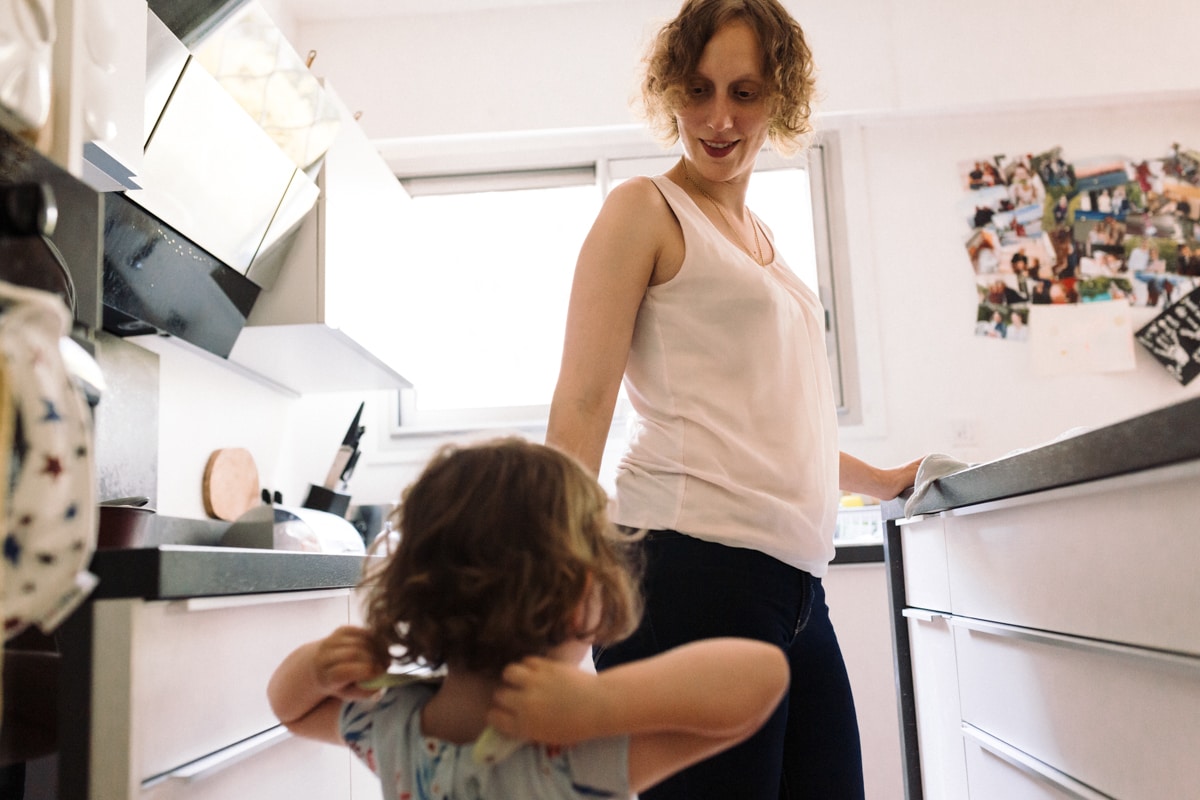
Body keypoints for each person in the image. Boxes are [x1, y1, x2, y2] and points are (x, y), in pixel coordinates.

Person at [544, 1, 922, 797]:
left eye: (745, 92)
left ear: (779, 100)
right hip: (685, 575)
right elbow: (583, 402)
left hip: (793, 591)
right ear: (669, 90)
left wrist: (882, 480)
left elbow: (773, 427)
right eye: (699, 88)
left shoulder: (764, 246)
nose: (718, 118)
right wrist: (550, 577)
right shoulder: (644, 210)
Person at [267, 437, 790, 799]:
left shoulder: (395, 724)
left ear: (413, 592)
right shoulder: (571, 749)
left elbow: (292, 712)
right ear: (584, 593)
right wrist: (600, 703)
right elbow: (764, 677)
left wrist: (315, 667)